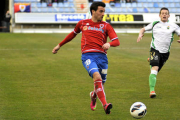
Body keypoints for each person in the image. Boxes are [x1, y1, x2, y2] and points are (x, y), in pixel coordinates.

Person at [52, 2, 120, 114]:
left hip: (102, 57)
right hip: (87, 56)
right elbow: (72, 34)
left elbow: (117, 41)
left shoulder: (106, 26)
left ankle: (94, 95)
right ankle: (105, 105)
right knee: (96, 76)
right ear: (93, 11)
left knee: (100, 83)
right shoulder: (82, 23)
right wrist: (59, 45)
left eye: (104, 11)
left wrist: (109, 44)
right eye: (101, 11)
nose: (103, 14)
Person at [137, 7, 180, 98]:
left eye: (166, 13)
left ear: (168, 15)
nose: (164, 14)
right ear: (159, 15)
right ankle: (152, 90)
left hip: (165, 53)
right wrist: (141, 33)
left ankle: (152, 60)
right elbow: (143, 29)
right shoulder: (155, 23)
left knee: (156, 70)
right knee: (154, 69)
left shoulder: (173, 26)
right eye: (162, 13)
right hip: (155, 49)